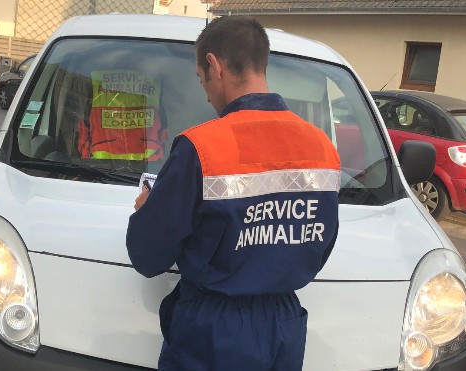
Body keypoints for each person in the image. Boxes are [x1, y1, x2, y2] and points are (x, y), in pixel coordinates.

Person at [126, 16, 340, 371]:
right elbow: (321, 242)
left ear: (214, 65)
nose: (206, 93)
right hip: (284, 327)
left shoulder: (202, 147)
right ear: (262, 63)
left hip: (214, 331)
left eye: (201, 79)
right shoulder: (322, 147)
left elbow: (148, 255)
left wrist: (149, 209)